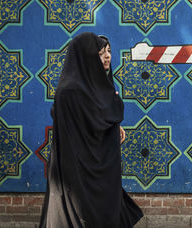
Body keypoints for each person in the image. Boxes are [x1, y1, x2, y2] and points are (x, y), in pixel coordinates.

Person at [39, 32, 143, 227]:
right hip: (80, 168)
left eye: (109, 51)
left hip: (100, 167)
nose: (107, 57)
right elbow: (89, 123)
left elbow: (101, 118)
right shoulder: (70, 91)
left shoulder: (94, 87)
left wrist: (113, 119)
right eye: (100, 52)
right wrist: (111, 107)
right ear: (85, 56)